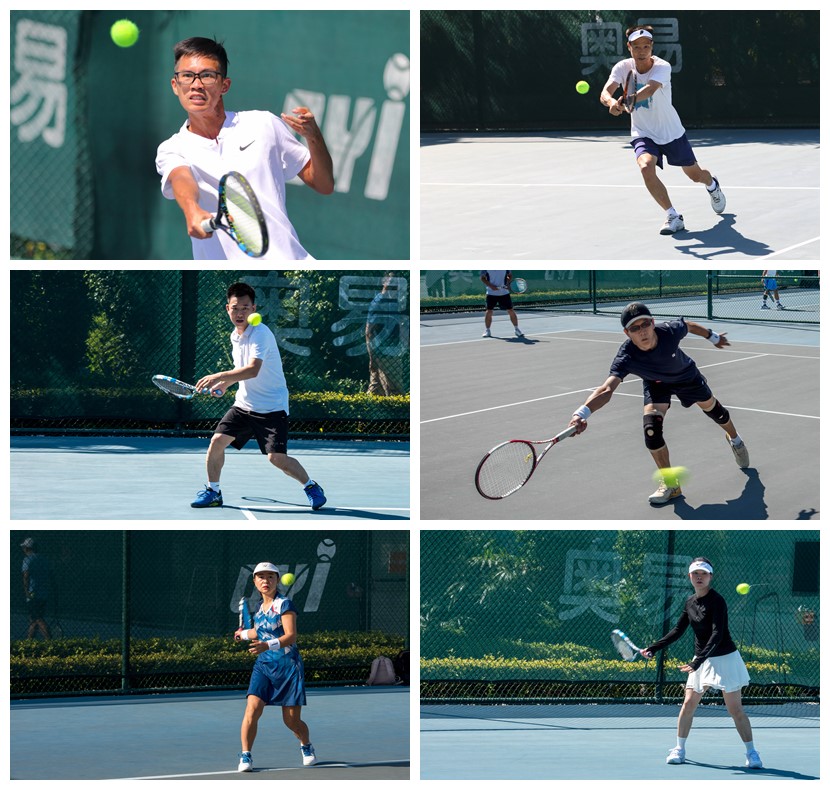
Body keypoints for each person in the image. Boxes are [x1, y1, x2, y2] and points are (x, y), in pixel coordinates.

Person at [156, 37, 334, 261]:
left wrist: (314, 137)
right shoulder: (172, 149)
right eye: (187, 76)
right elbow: (181, 177)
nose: (196, 85)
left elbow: (324, 184)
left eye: (207, 75)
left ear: (224, 85)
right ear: (175, 85)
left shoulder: (264, 124)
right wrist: (192, 209)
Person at [569, 302, 749, 505]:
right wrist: (581, 414)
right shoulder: (626, 356)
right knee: (651, 430)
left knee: (717, 413)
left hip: (687, 377)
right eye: (635, 328)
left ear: (653, 323)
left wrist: (713, 337)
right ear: (627, 333)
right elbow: (606, 389)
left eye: (645, 324)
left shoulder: (669, 332)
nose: (642, 331)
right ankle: (671, 484)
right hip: (656, 384)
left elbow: (689, 325)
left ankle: (735, 440)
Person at [190, 282, 326, 510]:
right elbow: (240, 370)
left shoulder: (261, 333)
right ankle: (213, 492)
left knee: (277, 459)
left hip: (272, 407)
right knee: (216, 442)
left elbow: (253, 370)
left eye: (245, 308)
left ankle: (311, 486)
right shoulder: (235, 336)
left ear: (253, 309)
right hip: (244, 405)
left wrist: (218, 376)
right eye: (235, 308)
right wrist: (225, 385)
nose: (240, 313)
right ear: (227, 309)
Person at [600, 25, 725, 236]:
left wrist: (628, 100)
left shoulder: (662, 67)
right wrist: (611, 102)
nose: (641, 51)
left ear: (652, 47)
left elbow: (650, 90)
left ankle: (712, 185)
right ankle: (673, 215)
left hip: (671, 132)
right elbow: (605, 92)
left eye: (646, 46)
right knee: (645, 167)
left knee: (695, 175)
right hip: (643, 132)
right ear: (629, 47)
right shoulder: (622, 67)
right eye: (636, 47)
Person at [640, 558, 762, 770]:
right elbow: (677, 630)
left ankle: (752, 753)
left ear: (710, 577)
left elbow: (717, 634)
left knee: (735, 710)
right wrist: (653, 648)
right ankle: (679, 749)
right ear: (689, 576)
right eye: (695, 573)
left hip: (725, 658)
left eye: (704, 573)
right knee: (688, 704)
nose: (699, 577)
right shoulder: (689, 602)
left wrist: (697, 661)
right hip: (702, 659)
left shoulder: (717, 601)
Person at [235, 562, 316, 772]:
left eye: (270, 577)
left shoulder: (284, 604)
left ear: (277, 581)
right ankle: (245, 755)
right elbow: (259, 631)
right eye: (261, 577)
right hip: (263, 667)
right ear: (255, 581)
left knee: (291, 721)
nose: (266, 581)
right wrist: (243, 635)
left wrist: (267, 645)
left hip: (288, 667)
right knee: (252, 709)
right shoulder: (259, 608)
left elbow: (291, 636)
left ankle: (306, 744)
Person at [366, 272, 406, 396]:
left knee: (376, 389)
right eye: (391, 281)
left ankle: (362, 405)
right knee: (395, 391)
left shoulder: (395, 302)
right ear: (384, 282)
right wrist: (372, 355)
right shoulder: (379, 303)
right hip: (385, 354)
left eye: (397, 282)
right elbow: (369, 330)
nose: (395, 285)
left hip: (391, 351)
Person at [21, 537, 50, 640]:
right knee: (33, 620)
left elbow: (26, 576)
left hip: (33, 594)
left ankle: (49, 640)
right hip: (44, 594)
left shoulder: (27, 560)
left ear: (28, 548)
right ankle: (29, 642)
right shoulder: (44, 559)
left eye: (24, 547)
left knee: (37, 618)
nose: (23, 549)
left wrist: (26, 592)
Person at [480, 270, 524, 338]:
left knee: (510, 310)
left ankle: (516, 329)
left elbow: (509, 275)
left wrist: (507, 283)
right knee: (489, 311)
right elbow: (483, 278)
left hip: (504, 293)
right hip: (491, 293)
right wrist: (491, 286)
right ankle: (487, 330)